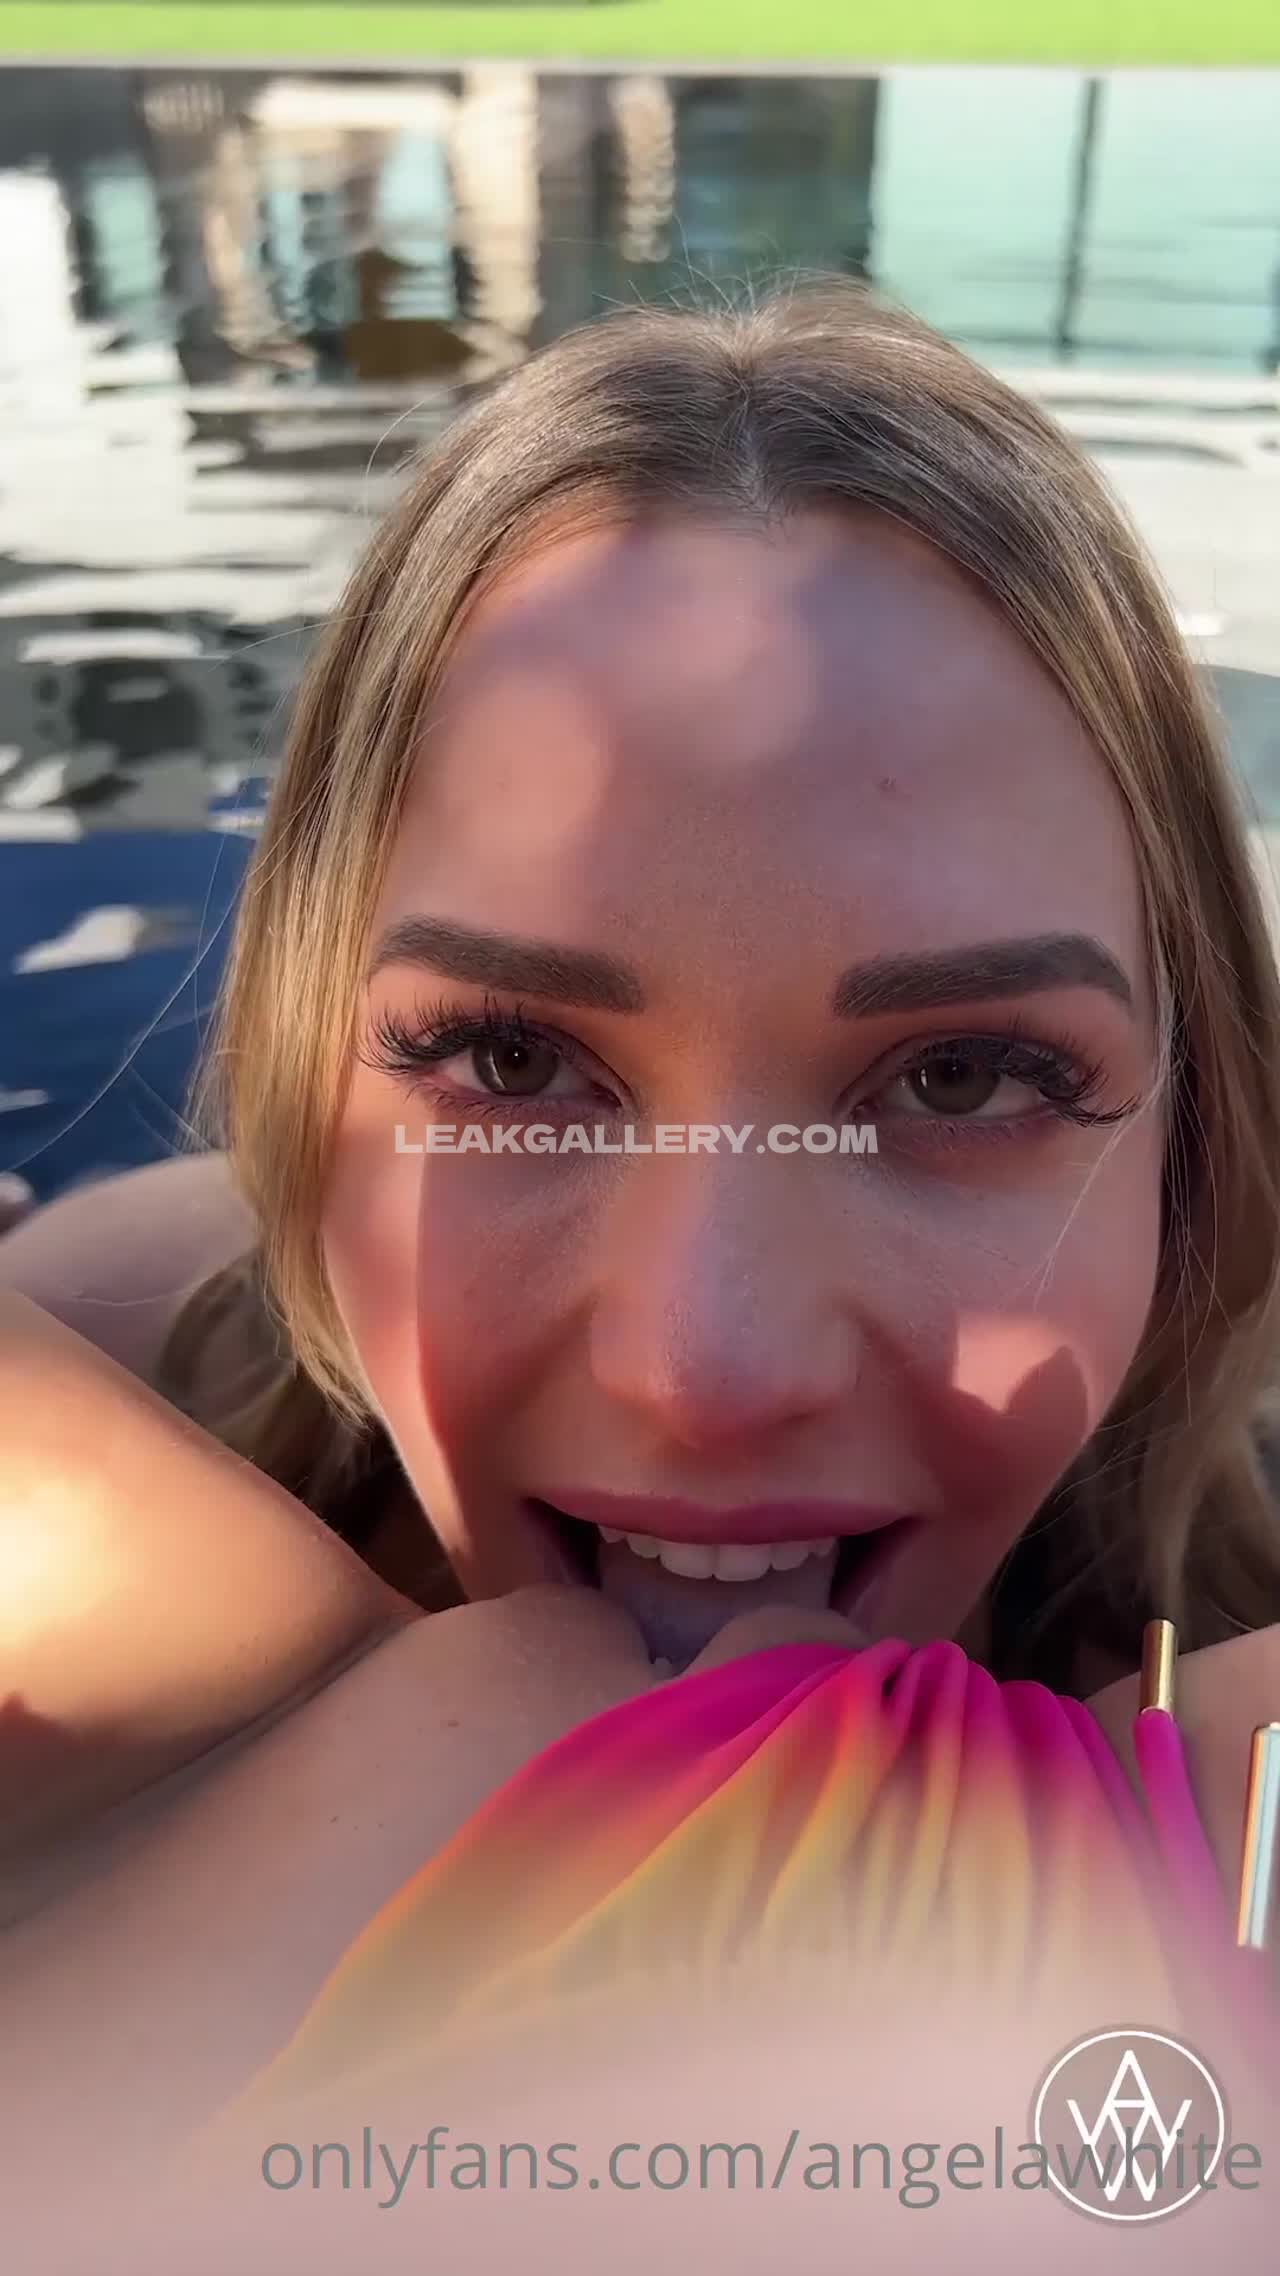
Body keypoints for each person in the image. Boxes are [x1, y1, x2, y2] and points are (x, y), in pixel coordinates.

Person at [3, 278, 1280, 2258]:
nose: (708, 1365)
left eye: (963, 1077)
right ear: (300, 1121)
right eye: (511, 1065)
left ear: (1192, 1167)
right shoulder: (120, 1344)